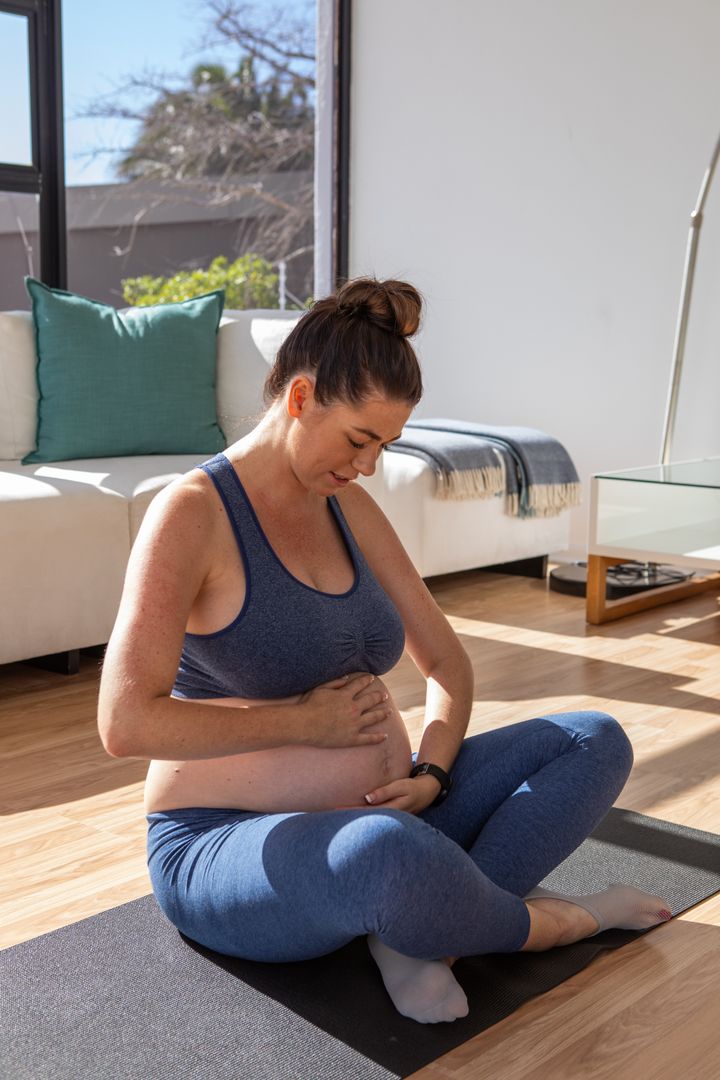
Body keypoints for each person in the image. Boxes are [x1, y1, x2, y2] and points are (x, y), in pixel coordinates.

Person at [98, 277, 672, 1025]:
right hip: (223, 841)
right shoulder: (192, 514)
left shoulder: (350, 509)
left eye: (387, 446)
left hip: (393, 812)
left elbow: (447, 664)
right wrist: (302, 724)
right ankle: (554, 924)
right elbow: (124, 723)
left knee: (593, 740)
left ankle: (423, 931)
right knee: (381, 853)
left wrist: (432, 771)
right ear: (301, 399)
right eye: (360, 440)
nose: (368, 465)